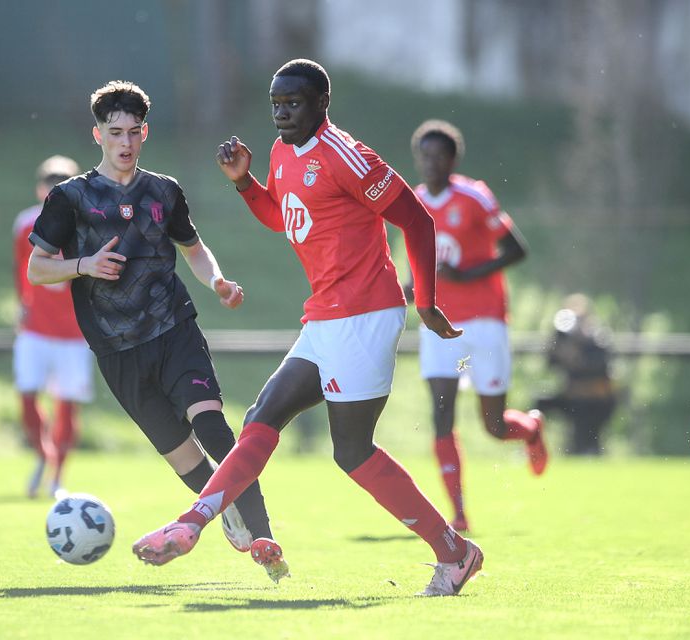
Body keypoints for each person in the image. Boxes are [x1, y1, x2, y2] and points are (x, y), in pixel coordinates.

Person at [133, 59, 483, 596]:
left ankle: (454, 552)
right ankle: (191, 523)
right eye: (275, 104)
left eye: (292, 104)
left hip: (365, 314)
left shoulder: (346, 154)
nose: (281, 114)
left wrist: (428, 301)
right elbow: (284, 216)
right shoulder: (281, 152)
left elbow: (416, 218)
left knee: (352, 451)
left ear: (322, 103)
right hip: (324, 313)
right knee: (261, 416)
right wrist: (245, 182)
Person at [26, 80, 279, 575]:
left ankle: (266, 540)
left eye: (134, 131)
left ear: (146, 132)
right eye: (115, 131)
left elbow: (193, 250)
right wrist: (84, 266)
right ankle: (224, 507)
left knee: (214, 428)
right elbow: (38, 268)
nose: (126, 142)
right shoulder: (70, 198)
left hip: (174, 330)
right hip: (117, 350)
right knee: (186, 460)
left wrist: (218, 282)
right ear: (96, 134)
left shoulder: (163, 191)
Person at [406, 119, 548, 533]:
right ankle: (459, 512)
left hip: (484, 320)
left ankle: (531, 429)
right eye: (424, 155)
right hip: (438, 322)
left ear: (453, 159)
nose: (431, 163)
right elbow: (419, 262)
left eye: (439, 156)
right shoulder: (413, 202)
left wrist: (466, 274)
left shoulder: (474, 196)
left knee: (494, 425)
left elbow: (516, 249)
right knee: (441, 416)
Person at [13, 156, 95, 498]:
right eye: (50, 184)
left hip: (74, 332)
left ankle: (58, 474)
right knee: (28, 398)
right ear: (40, 188)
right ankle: (42, 455)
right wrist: (22, 304)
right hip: (36, 329)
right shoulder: (26, 225)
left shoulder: (85, 226)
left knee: (67, 404)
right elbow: (21, 269)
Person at [535, 293, 616, 455]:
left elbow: (601, 366)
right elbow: (550, 363)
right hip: (572, 397)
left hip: (595, 401)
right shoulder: (564, 338)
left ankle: (589, 450)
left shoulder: (597, 337)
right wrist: (558, 349)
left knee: (585, 433)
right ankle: (533, 446)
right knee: (540, 404)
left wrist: (579, 357)